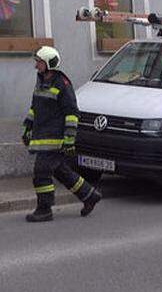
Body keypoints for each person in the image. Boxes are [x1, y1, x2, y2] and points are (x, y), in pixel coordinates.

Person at [22, 46, 101, 222]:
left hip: (55, 137)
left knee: (41, 171)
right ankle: (89, 195)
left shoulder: (62, 84)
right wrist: (27, 125)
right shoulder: (41, 80)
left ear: (49, 64)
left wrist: (69, 139)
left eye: (39, 62)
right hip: (42, 135)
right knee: (60, 171)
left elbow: (72, 113)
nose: (36, 66)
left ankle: (44, 209)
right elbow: (36, 107)